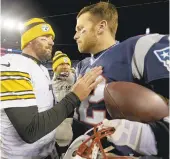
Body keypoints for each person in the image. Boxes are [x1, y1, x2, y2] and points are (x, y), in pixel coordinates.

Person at [70, 2, 169, 158]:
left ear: (100, 27)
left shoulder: (138, 48)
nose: (75, 36)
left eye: (80, 29)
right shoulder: (81, 66)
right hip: (87, 149)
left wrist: (145, 137)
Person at [0, 18, 103, 159]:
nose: (52, 42)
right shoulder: (12, 65)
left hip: (48, 151)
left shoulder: (41, 68)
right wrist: (74, 96)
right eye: (45, 38)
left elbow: (50, 111)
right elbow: (31, 130)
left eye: (52, 38)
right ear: (30, 40)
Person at [52, 51, 75, 155]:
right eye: (61, 64)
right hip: (60, 110)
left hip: (70, 110)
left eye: (67, 64)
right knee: (61, 138)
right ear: (55, 67)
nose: (65, 67)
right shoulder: (55, 77)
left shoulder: (70, 75)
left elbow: (71, 76)